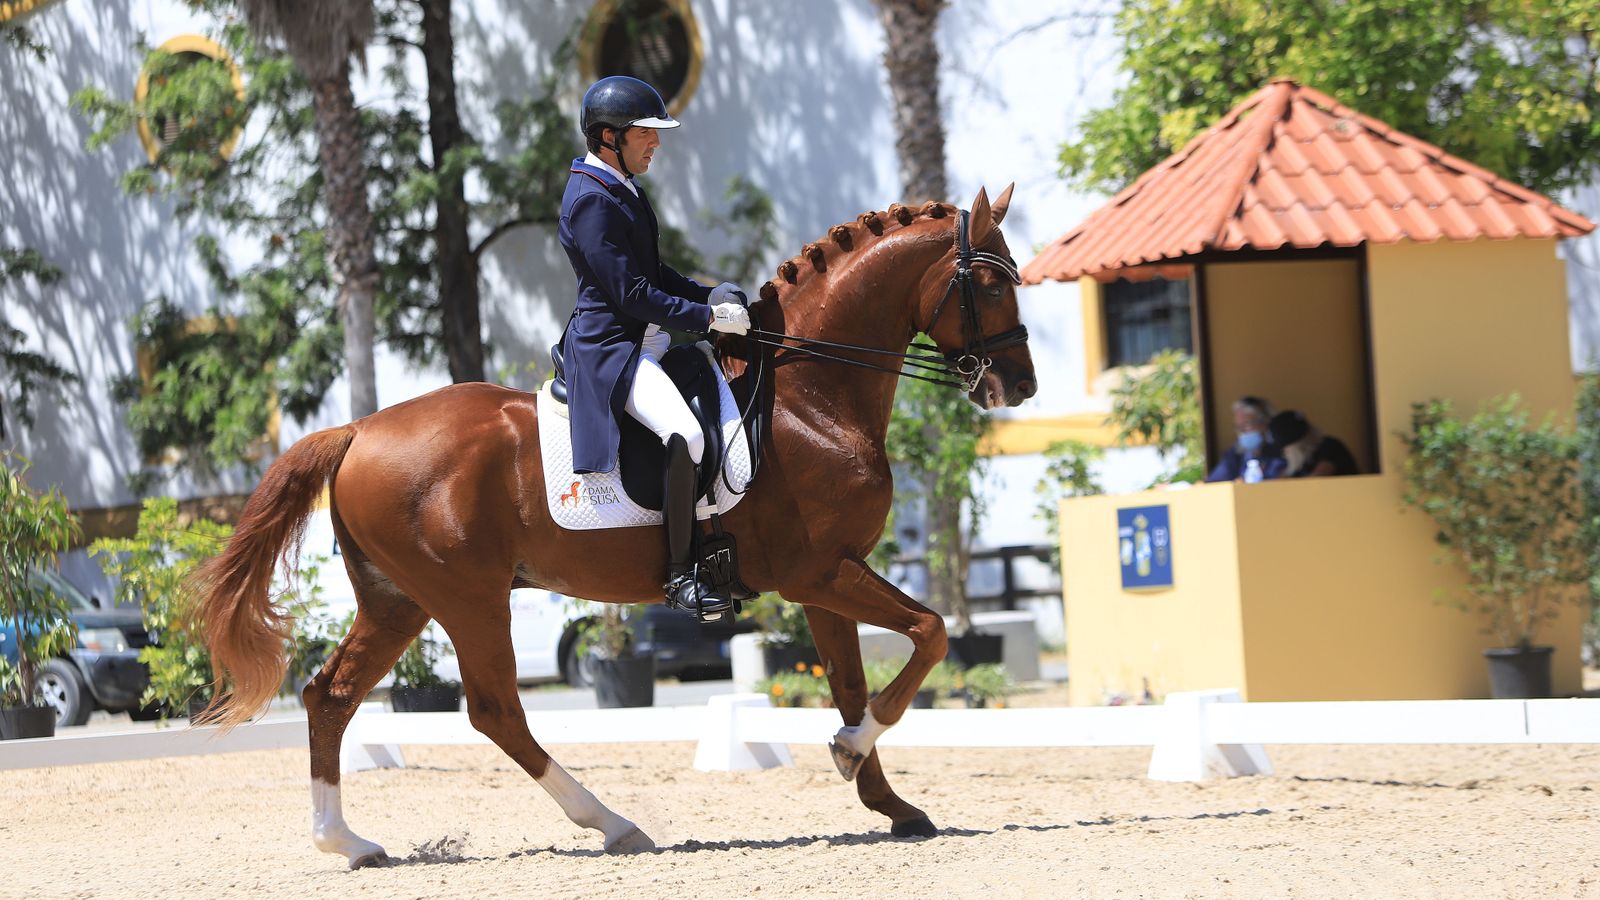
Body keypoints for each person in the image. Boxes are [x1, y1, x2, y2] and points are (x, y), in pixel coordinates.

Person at [557, 75, 752, 620]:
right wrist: (709, 317)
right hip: (615, 349)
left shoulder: (622, 188)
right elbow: (631, 293)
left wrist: (707, 292)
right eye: (646, 133)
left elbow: (655, 272)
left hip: (649, 338)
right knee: (685, 434)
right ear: (607, 137)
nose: (656, 143)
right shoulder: (592, 201)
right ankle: (680, 576)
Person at [1206, 396, 1285, 482]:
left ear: (1264, 423)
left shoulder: (1281, 452)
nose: (1241, 431)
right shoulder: (1235, 454)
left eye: (1246, 424)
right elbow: (1214, 482)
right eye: (1238, 426)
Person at [1268, 410, 1360, 478]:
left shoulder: (1329, 446)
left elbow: (1316, 480)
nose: (1285, 453)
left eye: (1286, 449)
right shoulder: (1304, 459)